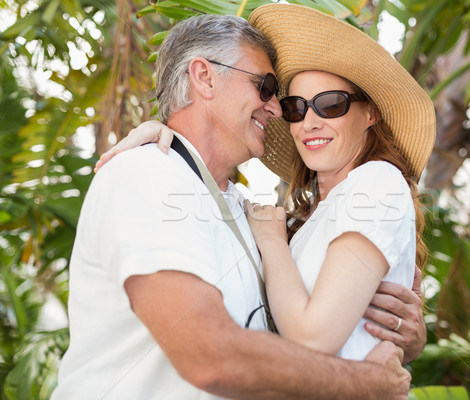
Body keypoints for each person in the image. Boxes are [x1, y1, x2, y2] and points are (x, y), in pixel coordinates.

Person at [53, 11, 422, 400]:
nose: (278, 110)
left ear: (370, 113)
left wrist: (405, 334)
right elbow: (209, 355)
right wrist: (365, 382)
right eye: (268, 89)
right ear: (204, 77)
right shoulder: (147, 174)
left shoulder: (249, 215)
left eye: (330, 104)